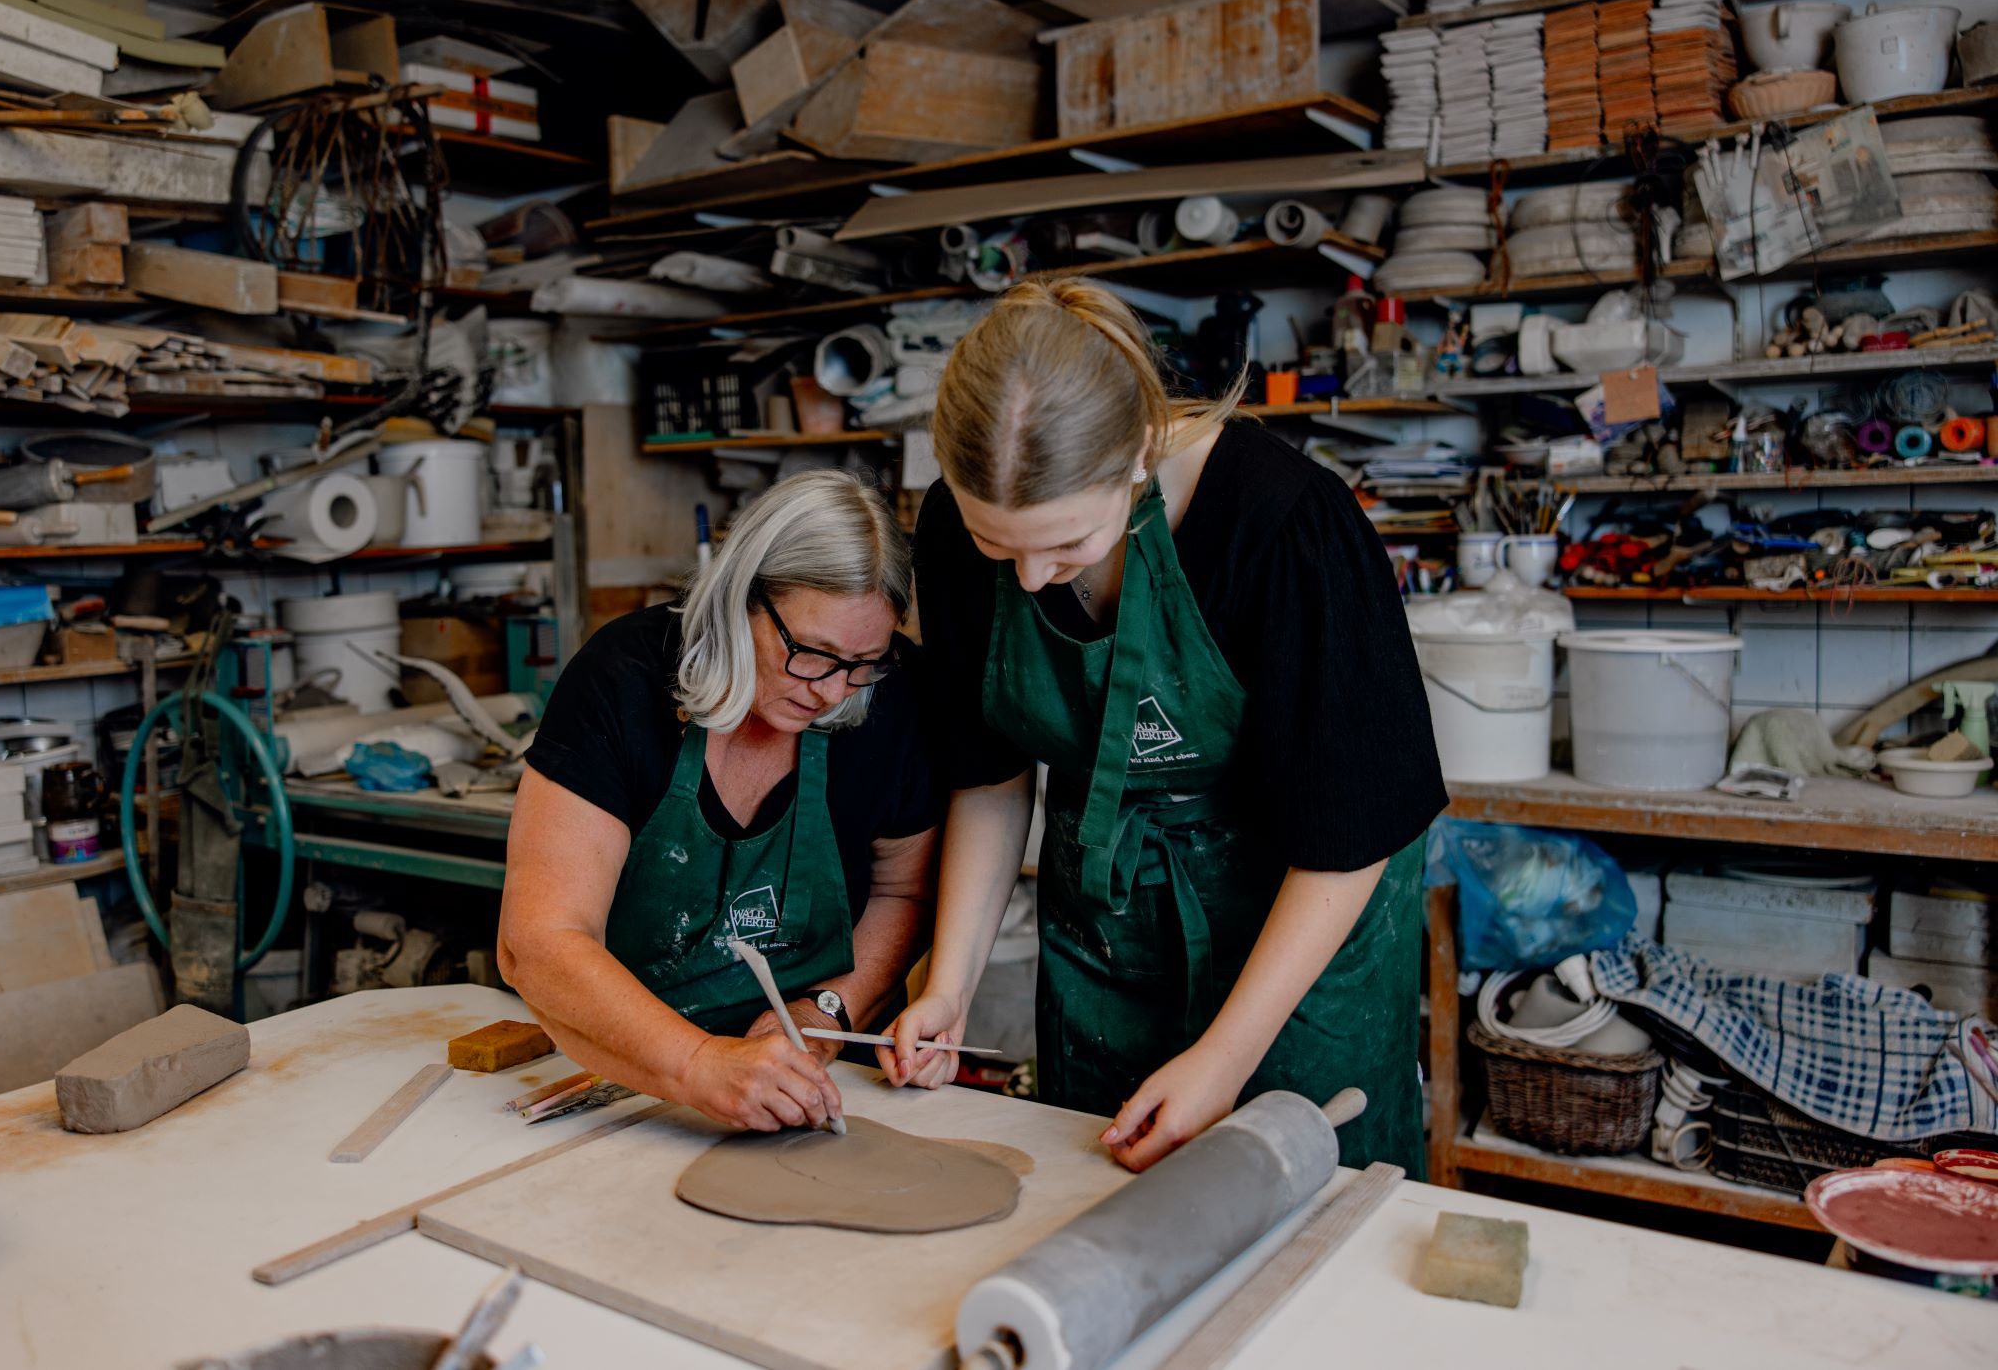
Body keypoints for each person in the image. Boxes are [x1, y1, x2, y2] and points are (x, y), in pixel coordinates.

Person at [884, 278, 1445, 1175]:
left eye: (1068, 546)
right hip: (1112, 923)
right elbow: (990, 774)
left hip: (1298, 924)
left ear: (1140, 449)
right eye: (1002, 548)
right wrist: (951, 983)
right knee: (1090, 1195)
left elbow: (1351, 833)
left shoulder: (1284, 522)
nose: (1029, 580)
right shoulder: (958, 529)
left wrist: (1226, 1059)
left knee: (1290, 1201)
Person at [499, 469, 940, 1134]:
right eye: (812, 654)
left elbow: (905, 892)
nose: (832, 692)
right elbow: (538, 940)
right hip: (628, 1079)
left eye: (862, 662)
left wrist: (826, 1009)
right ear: (742, 596)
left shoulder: (890, 700)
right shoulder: (624, 680)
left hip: (817, 1086)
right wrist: (698, 1061)